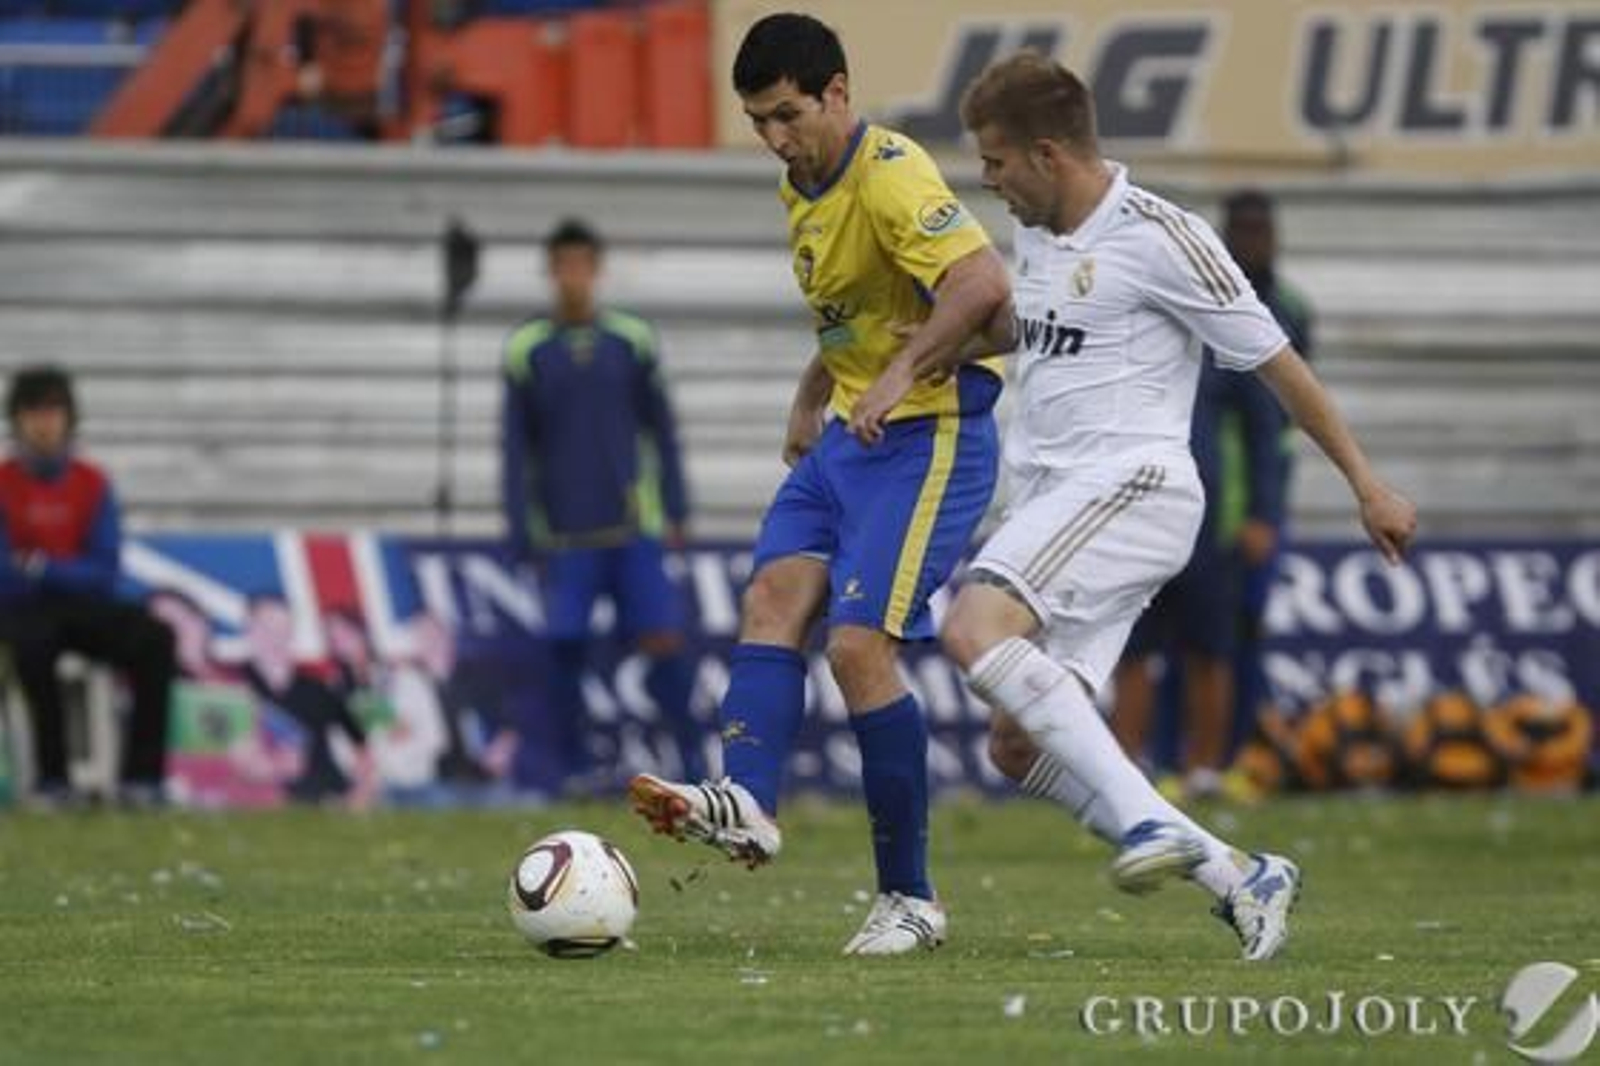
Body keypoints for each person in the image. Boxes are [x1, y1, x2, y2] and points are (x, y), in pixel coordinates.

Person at [852, 52, 1416, 961]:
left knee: (972, 626)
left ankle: (1147, 825)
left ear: (1047, 154)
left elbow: (1278, 364)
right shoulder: (1039, 233)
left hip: (1133, 484)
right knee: (1016, 746)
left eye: (995, 161)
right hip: (1056, 501)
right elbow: (1034, 327)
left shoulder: (1163, 236)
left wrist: (1367, 484)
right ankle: (1240, 876)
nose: (988, 181)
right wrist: (935, 351)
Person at [628, 13, 1011, 955]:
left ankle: (911, 900)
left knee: (856, 648)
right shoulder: (801, 184)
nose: (774, 137)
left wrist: (897, 376)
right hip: (850, 436)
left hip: (929, 434)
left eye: (787, 115)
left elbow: (982, 284)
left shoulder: (891, 172)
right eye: (758, 121)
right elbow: (857, 312)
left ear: (838, 92)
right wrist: (812, 395)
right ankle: (746, 802)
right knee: (771, 595)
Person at [1111, 190, 1314, 799]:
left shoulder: (1250, 325)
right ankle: (1123, 771)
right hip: (1144, 508)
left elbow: (1268, 427)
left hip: (1212, 518)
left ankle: (1205, 770)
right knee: (1134, 646)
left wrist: (1262, 513)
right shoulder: (1151, 318)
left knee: (1211, 646)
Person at [501, 218, 708, 792]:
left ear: (596, 270)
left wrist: (676, 506)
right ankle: (571, 770)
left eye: (582, 265)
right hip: (565, 534)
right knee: (565, 646)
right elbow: (515, 448)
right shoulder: (526, 348)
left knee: (663, 641)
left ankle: (693, 765)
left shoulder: (631, 340)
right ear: (551, 272)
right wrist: (520, 528)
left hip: (632, 527)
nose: (573, 277)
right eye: (563, 266)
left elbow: (661, 429)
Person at [0, 365, 176, 809]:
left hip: (82, 607)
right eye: (33, 412)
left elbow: (105, 570)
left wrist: (39, 566)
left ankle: (142, 780)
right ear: (16, 420)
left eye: (53, 411)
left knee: (155, 639)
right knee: (31, 647)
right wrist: (58, 572)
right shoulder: (3, 483)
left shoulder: (92, 483)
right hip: (24, 610)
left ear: (69, 418)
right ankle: (52, 780)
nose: (43, 423)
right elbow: (4, 574)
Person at [241, 593, 377, 808]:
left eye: (282, 628)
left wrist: (360, 795)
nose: (275, 637)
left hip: (330, 804)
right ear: (248, 628)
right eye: (265, 627)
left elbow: (362, 745)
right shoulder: (230, 688)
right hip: (263, 810)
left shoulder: (319, 688)